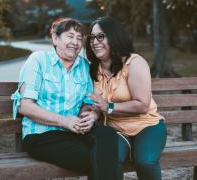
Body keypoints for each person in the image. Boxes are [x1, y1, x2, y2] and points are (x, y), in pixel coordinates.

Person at [11, 18, 119, 180]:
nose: (75, 42)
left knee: (108, 135)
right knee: (98, 158)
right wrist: (64, 121)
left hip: (74, 129)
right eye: (70, 36)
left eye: (79, 38)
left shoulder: (83, 65)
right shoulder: (38, 60)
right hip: (41, 134)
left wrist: (90, 115)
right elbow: (25, 107)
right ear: (55, 38)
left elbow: (88, 102)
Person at [85, 17, 167, 180]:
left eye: (100, 36)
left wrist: (108, 107)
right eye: (92, 37)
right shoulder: (92, 69)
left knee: (145, 162)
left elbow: (142, 105)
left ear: (114, 37)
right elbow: (94, 102)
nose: (95, 42)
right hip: (115, 130)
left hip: (147, 126)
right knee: (108, 161)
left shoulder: (134, 62)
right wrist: (93, 113)